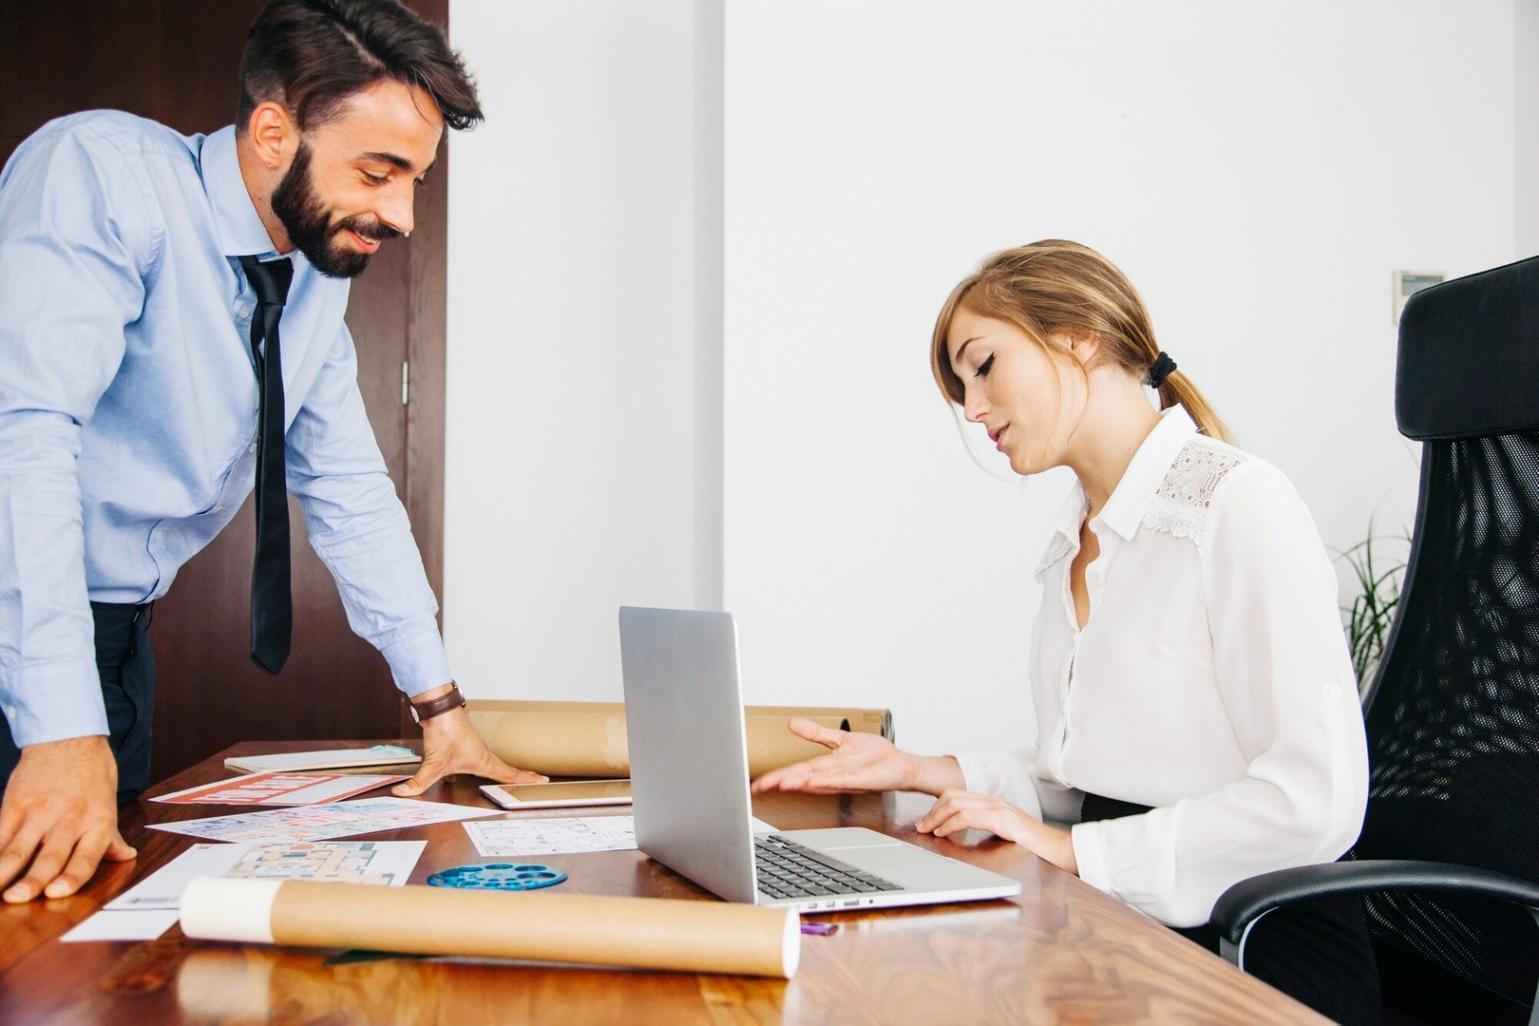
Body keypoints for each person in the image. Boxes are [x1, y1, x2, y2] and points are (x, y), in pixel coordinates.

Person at [0, 0, 544, 906]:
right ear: (271, 133)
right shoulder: (102, 172)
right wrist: (59, 725)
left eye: (414, 179)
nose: (402, 214)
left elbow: (348, 487)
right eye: (377, 172)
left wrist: (439, 708)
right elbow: (24, 434)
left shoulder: (308, 280)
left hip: (113, 643)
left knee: (73, 932)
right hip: (25, 628)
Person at [754, 240, 1379, 1024]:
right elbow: (1091, 780)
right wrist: (918, 769)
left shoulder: (1236, 504)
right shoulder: (1075, 538)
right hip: (1121, 926)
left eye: (983, 367)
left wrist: (1069, 850)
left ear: (1078, 336)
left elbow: (1313, 800)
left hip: (1253, 958)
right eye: (961, 389)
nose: (972, 409)